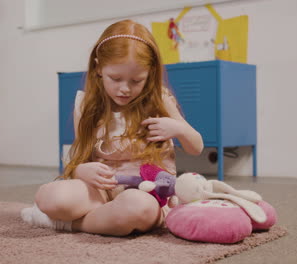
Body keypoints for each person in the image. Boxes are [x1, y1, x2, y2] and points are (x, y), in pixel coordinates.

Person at [21, 19, 203, 236]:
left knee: (136, 207)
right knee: (50, 197)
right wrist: (81, 170)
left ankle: (68, 224)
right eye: (115, 78)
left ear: (150, 73)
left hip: (147, 193)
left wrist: (178, 128)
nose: (125, 89)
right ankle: (107, 218)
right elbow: (80, 157)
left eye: (136, 81)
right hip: (102, 190)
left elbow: (196, 147)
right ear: (98, 67)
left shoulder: (161, 100)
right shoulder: (86, 104)